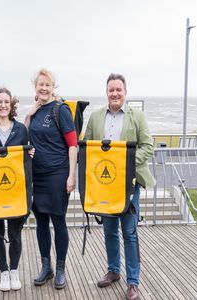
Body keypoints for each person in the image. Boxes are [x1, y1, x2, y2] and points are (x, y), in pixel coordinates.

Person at [84, 73, 155, 300]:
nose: (115, 93)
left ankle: (133, 282)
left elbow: (147, 147)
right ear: (106, 92)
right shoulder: (95, 117)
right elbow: (86, 149)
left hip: (129, 185)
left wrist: (126, 166)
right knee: (109, 231)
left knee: (130, 233)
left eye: (119, 90)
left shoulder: (138, 117)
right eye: (111, 90)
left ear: (125, 92)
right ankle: (113, 271)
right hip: (104, 186)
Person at [25, 69, 77, 289]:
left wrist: (71, 176)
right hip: (37, 176)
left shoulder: (61, 110)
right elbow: (23, 137)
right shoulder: (36, 112)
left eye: (47, 85)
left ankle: (61, 269)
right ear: (35, 87)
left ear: (53, 86)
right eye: (40, 85)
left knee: (58, 220)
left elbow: (73, 145)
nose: (44, 88)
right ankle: (46, 267)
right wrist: (29, 114)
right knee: (41, 223)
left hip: (57, 174)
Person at [0, 87, 33, 292]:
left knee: (15, 232)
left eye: (6, 102)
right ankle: (3, 272)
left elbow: (25, 159)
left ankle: (14, 271)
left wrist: (31, 153)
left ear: (11, 105)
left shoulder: (21, 130)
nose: (3, 105)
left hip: (16, 190)